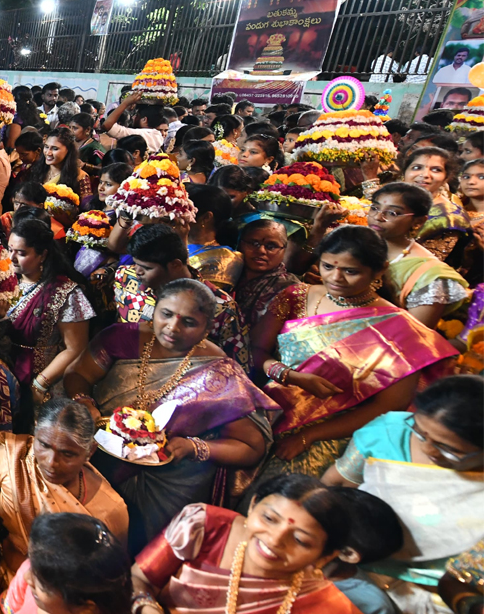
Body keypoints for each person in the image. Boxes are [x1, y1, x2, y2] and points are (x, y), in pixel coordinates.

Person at [64, 279, 276, 552]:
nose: (172, 328)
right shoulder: (120, 338)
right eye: (166, 314)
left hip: (169, 484)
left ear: (207, 328)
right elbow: (77, 374)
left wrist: (192, 447)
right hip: (99, 457)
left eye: (188, 322)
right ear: (154, 310)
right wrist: (85, 402)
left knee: (143, 556)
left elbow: (251, 447)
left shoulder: (219, 370)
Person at [247, 225, 458, 489]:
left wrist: (309, 436)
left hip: (335, 430)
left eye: (350, 271)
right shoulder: (296, 295)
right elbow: (255, 352)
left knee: (278, 492)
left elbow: (388, 407)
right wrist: (289, 375)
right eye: (327, 266)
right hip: (266, 410)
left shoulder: (401, 329)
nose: (335, 278)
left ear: (379, 271)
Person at [321, 376, 484, 612]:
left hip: (436, 594)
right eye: (420, 432)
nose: (428, 449)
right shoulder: (389, 432)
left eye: (448, 449)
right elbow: (335, 485)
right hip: (347, 570)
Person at [131, 474, 362, 614]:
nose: (274, 539)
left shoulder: (328, 606)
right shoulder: (204, 526)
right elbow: (138, 580)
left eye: (300, 540)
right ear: (253, 506)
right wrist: (147, 608)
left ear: (324, 558)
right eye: (269, 518)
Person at [0, 397, 129, 587]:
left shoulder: (110, 510)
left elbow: (111, 579)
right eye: (44, 445)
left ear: (90, 451)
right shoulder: (13, 459)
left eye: (67, 454)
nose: (51, 462)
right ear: (36, 430)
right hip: (3, 581)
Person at [117, 224, 250, 370]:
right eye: (136, 264)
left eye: (147, 268)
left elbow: (237, 369)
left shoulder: (221, 307)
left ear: (176, 265)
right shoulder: (126, 278)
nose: (137, 272)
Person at [6, 219, 95, 410]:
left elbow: (75, 348)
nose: (11, 258)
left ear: (43, 255)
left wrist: (40, 384)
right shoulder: (4, 280)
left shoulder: (64, 292)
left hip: (44, 381)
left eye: (21, 253)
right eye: (10, 249)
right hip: (6, 375)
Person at [365, 183, 470, 327]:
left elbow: (416, 333)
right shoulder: (356, 244)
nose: (378, 217)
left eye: (392, 213)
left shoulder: (430, 276)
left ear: (418, 222)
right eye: (375, 208)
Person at [0, 513, 132, 614]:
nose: (27, 577)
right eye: (31, 561)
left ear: (86, 609)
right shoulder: (35, 569)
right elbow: (4, 607)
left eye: (43, 586)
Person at [232, 220, 300, 347]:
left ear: (284, 250)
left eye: (271, 246)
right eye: (254, 243)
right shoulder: (227, 273)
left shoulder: (290, 288)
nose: (261, 251)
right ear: (240, 244)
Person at [400, 147, 472, 264]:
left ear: (446, 178)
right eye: (417, 167)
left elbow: (423, 265)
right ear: (404, 172)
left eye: (436, 170)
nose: (424, 174)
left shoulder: (448, 218)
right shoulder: (395, 200)